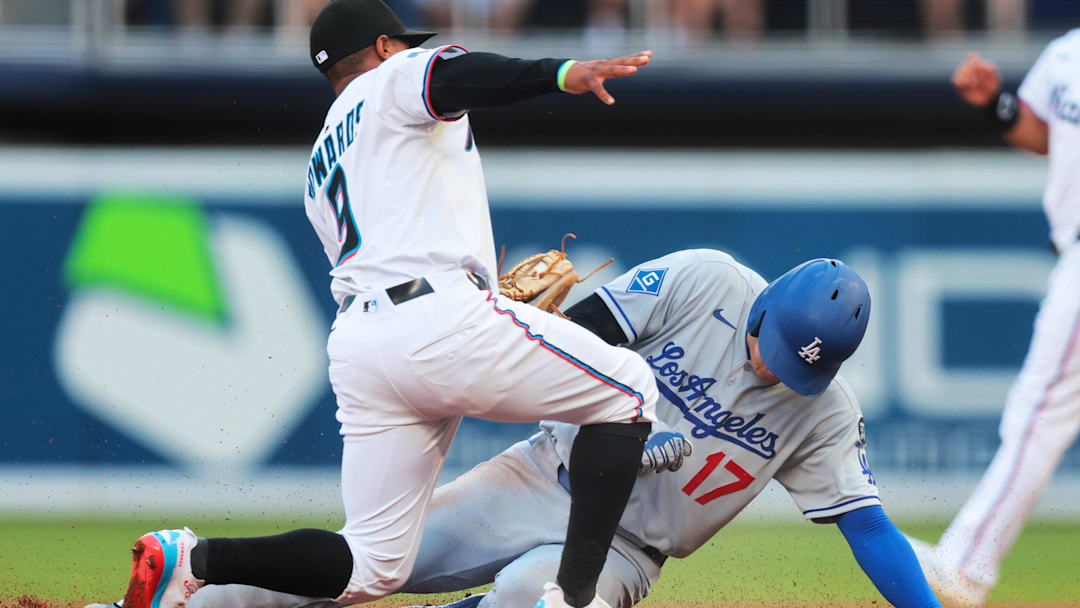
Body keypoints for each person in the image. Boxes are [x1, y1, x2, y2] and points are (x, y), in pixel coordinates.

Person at [112, 2, 664, 608]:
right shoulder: (392, 78)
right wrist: (562, 72)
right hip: (437, 320)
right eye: (402, 45)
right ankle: (576, 598)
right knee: (628, 390)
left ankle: (195, 558)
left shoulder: (322, 159)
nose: (409, 52)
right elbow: (453, 76)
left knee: (371, 566)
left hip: (362, 345)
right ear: (381, 46)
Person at [132, 249, 943, 608]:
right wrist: (623, 427)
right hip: (539, 476)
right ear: (763, 309)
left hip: (626, 553)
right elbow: (581, 331)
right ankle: (179, 598)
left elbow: (868, 529)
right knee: (373, 561)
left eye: (804, 370)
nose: (778, 373)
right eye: (774, 352)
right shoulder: (707, 282)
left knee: (532, 599)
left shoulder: (824, 412)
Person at [907, 30, 1080, 607]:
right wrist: (998, 105)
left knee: (1040, 409)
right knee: (1042, 410)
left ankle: (967, 565)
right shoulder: (1066, 53)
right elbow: (1043, 135)